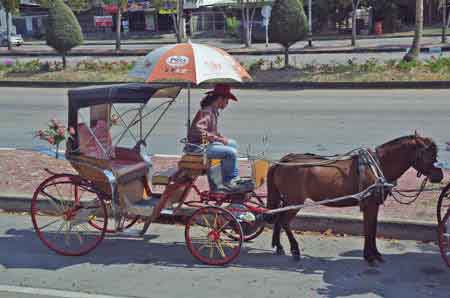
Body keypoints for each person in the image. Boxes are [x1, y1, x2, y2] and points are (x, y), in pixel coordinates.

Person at [186, 84, 245, 192]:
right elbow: (198, 130)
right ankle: (229, 180)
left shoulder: (212, 112)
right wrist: (218, 139)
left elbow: (209, 131)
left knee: (232, 144)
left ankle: (231, 177)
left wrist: (219, 136)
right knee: (230, 153)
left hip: (205, 144)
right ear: (219, 99)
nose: (227, 104)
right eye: (226, 101)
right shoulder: (207, 112)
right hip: (198, 147)